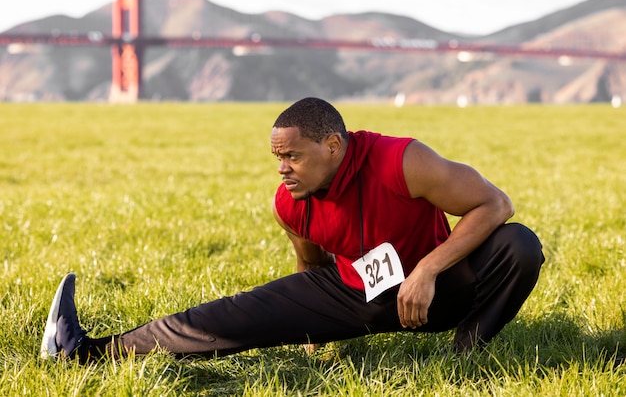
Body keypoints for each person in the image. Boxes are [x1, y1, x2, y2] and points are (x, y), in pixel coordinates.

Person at [40, 97, 544, 363]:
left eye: (291, 156)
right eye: (276, 157)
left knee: (518, 244)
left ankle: (466, 352)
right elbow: (311, 266)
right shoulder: (290, 202)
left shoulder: (401, 160)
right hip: (356, 294)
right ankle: (86, 352)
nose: (282, 168)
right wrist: (312, 326)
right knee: (229, 317)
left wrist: (429, 269)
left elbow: (494, 203)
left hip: (438, 290)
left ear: (332, 145)